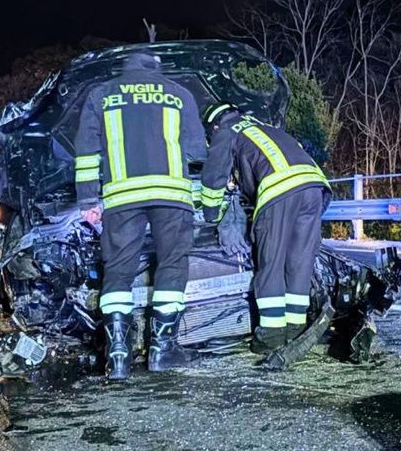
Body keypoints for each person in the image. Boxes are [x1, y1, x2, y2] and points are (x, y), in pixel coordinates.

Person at [73, 52, 207, 380]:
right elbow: (197, 151)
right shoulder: (178, 93)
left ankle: (118, 357)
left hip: (121, 198)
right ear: (157, 68)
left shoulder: (101, 94)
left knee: (117, 273)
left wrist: (88, 200)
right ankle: (162, 350)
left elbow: (86, 151)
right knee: (172, 265)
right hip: (172, 196)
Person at [200, 103, 331, 353]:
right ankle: (295, 330)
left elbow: (213, 179)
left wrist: (211, 216)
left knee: (271, 261)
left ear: (215, 126)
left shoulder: (226, 132)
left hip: (280, 191)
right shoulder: (264, 127)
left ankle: (271, 335)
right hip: (314, 187)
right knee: (299, 262)